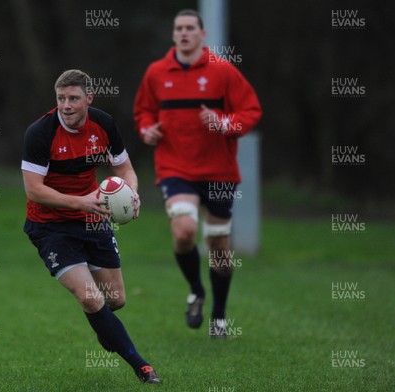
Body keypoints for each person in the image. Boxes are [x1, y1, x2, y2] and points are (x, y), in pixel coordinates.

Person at [22, 69, 160, 383]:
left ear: (89, 99)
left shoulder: (104, 124)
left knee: (115, 300)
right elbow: (34, 190)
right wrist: (84, 201)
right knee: (90, 298)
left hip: (93, 221)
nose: (66, 106)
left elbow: (125, 168)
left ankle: (105, 327)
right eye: (61, 99)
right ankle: (141, 365)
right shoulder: (40, 133)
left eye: (73, 98)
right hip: (50, 227)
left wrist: (132, 193)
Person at [134, 10, 262, 336]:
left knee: (218, 246)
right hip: (175, 167)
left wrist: (223, 124)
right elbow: (144, 111)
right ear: (174, 34)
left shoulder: (222, 71)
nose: (184, 33)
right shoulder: (157, 72)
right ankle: (196, 289)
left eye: (191, 28)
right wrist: (147, 130)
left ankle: (219, 315)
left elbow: (250, 111)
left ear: (202, 34)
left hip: (219, 171)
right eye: (179, 28)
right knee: (184, 231)